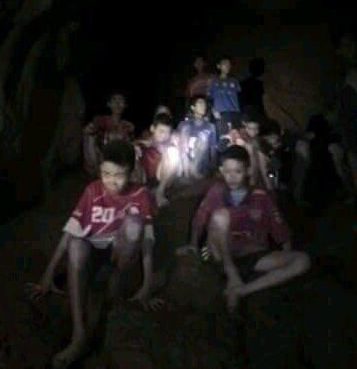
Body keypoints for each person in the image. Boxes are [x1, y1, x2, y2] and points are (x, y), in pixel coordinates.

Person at [27, 140, 156, 369]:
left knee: (135, 223)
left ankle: (115, 289)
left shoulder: (140, 194)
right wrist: (48, 274)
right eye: (106, 173)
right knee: (76, 243)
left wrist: (147, 284)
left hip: (121, 258)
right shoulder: (93, 190)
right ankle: (79, 336)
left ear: (132, 171)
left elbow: (146, 241)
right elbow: (70, 233)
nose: (111, 181)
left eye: (119, 174)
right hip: (93, 254)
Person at [183, 146, 310, 312]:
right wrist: (193, 244)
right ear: (221, 170)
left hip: (252, 255)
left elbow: (279, 229)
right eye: (227, 172)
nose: (232, 177)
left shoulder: (260, 196)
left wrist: (286, 255)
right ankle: (231, 273)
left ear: (248, 170)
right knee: (220, 216)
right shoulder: (217, 191)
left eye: (237, 171)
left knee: (302, 260)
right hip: (220, 253)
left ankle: (243, 290)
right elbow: (200, 219)